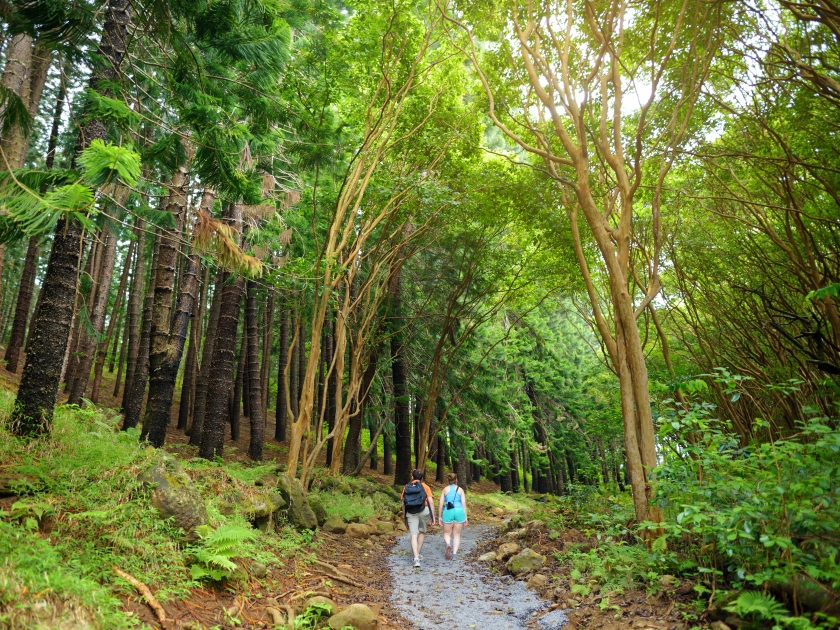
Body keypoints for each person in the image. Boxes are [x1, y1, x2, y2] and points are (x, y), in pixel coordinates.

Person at [401, 469, 436, 568]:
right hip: (423, 511)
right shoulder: (425, 487)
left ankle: (416, 558)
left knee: (413, 535)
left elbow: (403, 503)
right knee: (421, 532)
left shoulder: (406, 487)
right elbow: (431, 502)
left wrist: (405, 517)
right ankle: (418, 553)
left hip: (411, 512)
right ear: (422, 478)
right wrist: (433, 517)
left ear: (412, 477)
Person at [438, 472, 468, 559]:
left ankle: (448, 544)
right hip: (459, 511)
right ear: (456, 480)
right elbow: (464, 504)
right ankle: (454, 554)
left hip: (448, 511)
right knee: (457, 534)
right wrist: (465, 517)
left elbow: (440, 504)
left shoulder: (445, 490)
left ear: (448, 480)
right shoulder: (461, 490)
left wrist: (439, 517)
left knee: (447, 532)